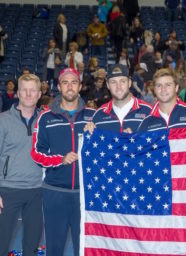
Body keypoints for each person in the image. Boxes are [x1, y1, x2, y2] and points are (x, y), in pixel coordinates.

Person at [31, 68, 95, 256]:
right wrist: (60, 159)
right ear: (58, 86)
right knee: (55, 249)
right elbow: (36, 154)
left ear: (80, 86)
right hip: (55, 193)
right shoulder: (46, 117)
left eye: (74, 82)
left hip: (85, 195)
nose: (69, 86)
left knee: (84, 250)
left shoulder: (93, 116)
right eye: (65, 82)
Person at [0, 74, 43, 256]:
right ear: (17, 93)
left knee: (31, 248)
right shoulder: (3, 120)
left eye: (32, 90)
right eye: (24, 89)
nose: (28, 94)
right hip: (7, 191)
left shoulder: (45, 121)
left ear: (39, 94)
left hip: (37, 191)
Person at [87, 64, 152, 133]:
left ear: (129, 83)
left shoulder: (149, 111)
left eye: (122, 81)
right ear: (108, 85)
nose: (118, 87)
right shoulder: (98, 115)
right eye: (113, 82)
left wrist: (136, 140)